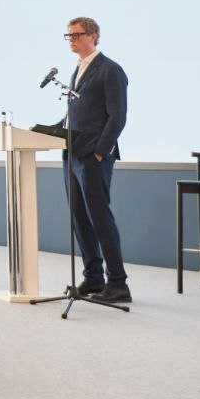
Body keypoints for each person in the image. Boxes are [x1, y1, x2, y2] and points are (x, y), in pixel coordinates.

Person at [61, 16, 131, 303]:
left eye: (76, 35)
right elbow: (76, 116)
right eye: (68, 36)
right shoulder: (77, 70)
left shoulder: (110, 70)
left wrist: (101, 150)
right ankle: (93, 277)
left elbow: (118, 116)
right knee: (79, 217)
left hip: (93, 156)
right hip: (72, 155)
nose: (71, 40)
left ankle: (118, 283)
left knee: (99, 218)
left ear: (93, 36)